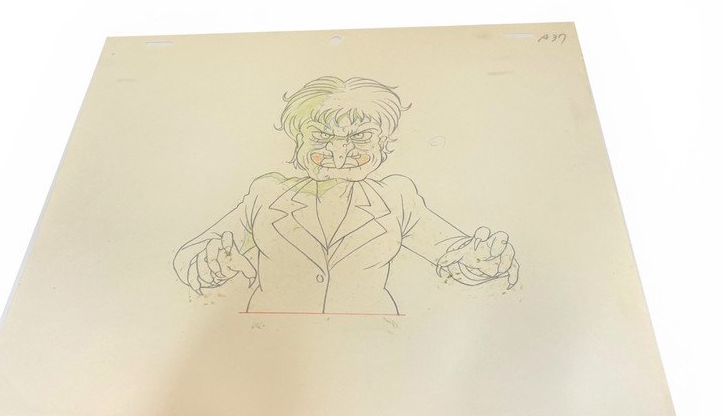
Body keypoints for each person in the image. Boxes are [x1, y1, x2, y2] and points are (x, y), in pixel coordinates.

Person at [173, 76, 518, 314]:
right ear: (298, 141)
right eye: (321, 136)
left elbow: (452, 252)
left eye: (360, 137)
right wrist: (206, 263)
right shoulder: (267, 194)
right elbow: (192, 254)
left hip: (371, 345)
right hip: (271, 344)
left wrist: (482, 260)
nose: (339, 153)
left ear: (384, 143)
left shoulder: (396, 197)